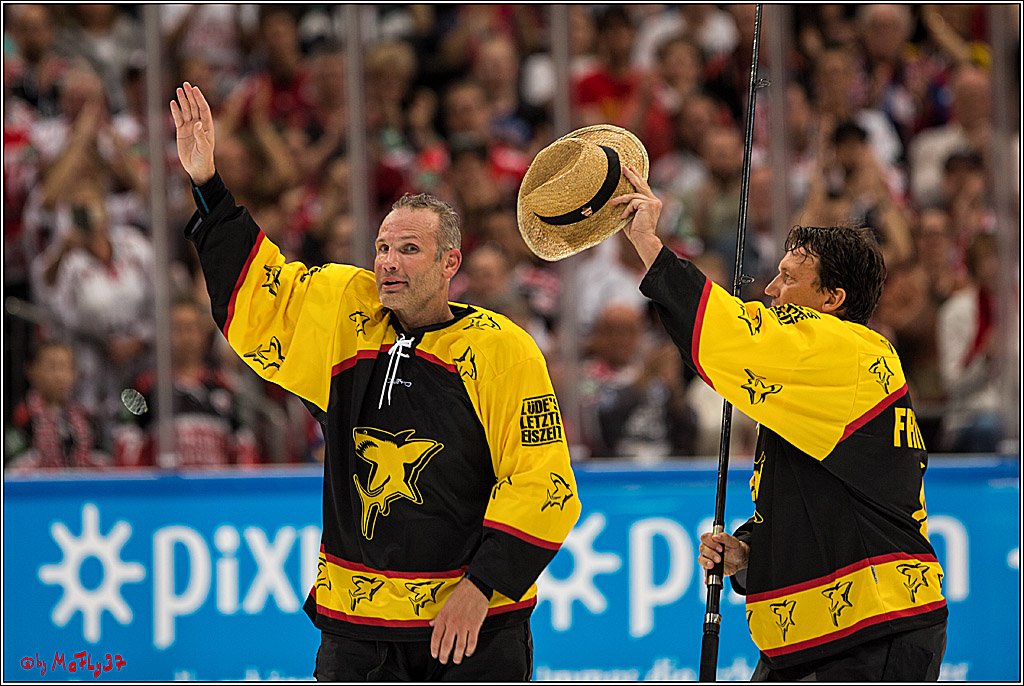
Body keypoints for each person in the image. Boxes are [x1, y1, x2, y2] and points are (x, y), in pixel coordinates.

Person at [170, 82, 580, 681]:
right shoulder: (346, 319)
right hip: (357, 631)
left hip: (469, 627)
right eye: (383, 247)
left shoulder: (501, 350)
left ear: (450, 263)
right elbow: (265, 303)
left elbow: (543, 482)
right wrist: (208, 183)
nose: (387, 260)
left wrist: (482, 587)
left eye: (409, 249)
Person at [609, 166, 947, 680]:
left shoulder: (846, 350)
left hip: (871, 631)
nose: (770, 288)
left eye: (788, 278)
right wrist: (749, 551)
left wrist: (650, 244)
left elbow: (731, 336)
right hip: (819, 639)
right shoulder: (818, 377)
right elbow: (820, 497)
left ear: (832, 300)